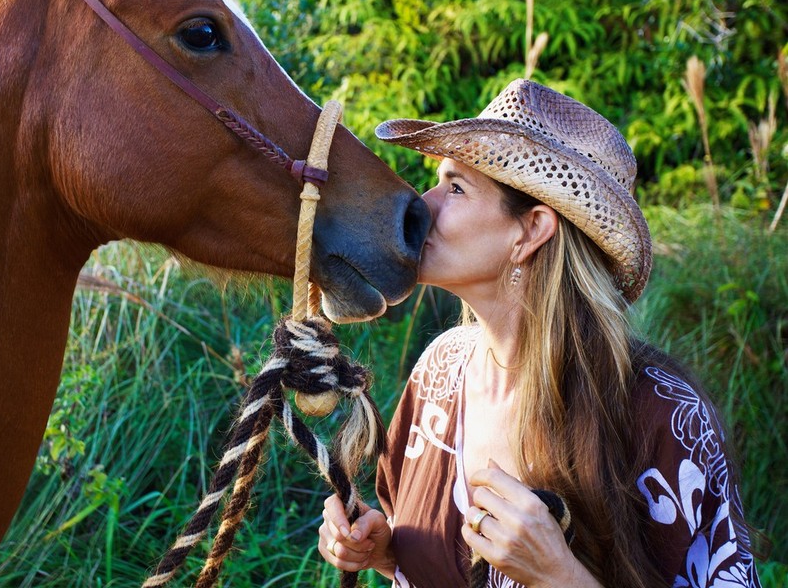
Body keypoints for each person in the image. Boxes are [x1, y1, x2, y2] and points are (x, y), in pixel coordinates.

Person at [317, 79, 760, 587]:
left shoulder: (662, 418)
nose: (425, 201)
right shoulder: (437, 374)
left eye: (455, 187)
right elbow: (431, 559)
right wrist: (386, 548)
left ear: (531, 231)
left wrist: (560, 576)